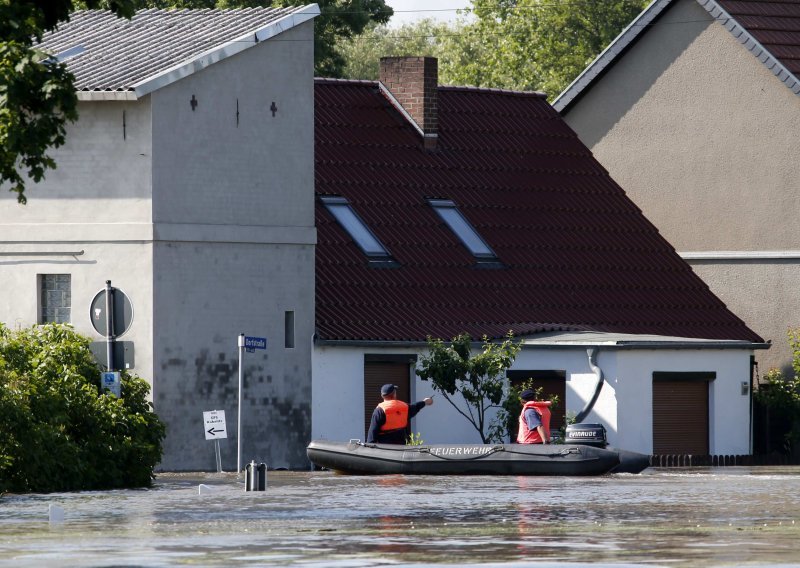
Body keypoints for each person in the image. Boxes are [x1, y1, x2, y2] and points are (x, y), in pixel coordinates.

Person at [366, 383, 434, 444]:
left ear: (382, 396)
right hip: (401, 449)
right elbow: (416, 406)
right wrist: (425, 402)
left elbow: (372, 435)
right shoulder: (405, 407)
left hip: (385, 449)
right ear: (394, 394)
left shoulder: (379, 411)